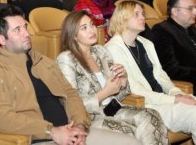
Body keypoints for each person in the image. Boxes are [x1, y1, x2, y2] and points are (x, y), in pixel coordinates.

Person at [0, 5, 142, 145]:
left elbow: (71, 94)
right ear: (1, 39)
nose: (26, 34)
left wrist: (80, 125)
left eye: (25, 27)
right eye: (17, 30)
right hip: (41, 139)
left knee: (131, 143)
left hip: (73, 132)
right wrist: (51, 131)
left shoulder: (44, 62)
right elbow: (3, 119)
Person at [106, 0, 196, 145]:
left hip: (169, 98)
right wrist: (174, 100)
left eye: (143, 14)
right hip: (148, 105)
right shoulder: (113, 49)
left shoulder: (145, 43)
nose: (143, 17)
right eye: (137, 14)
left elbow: (162, 76)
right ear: (122, 18)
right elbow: (134, 90)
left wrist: (175, 93)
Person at [57, 10, 168, 145]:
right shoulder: (66, 59)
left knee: (152, 116)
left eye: (92, 25)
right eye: (84, 28)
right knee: (132, 131)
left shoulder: (101, 51)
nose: (92, 30)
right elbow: (70, 104)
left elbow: (118, 95)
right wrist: (105, 93)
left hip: (113, 108)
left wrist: (123, 80)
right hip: (90, 117)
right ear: (73, 35)